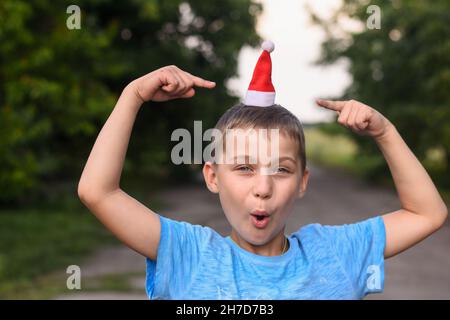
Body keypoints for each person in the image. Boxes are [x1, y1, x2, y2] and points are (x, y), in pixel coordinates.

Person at [77, 41, 448, 299]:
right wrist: (133, 95)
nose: (263, 188)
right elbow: (98, 192)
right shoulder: (188, 254)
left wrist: (385, 132)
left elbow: (427, 213)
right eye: (244, 167)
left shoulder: (333, 254)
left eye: (281, 170)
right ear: (212, 176)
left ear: (303, 182)